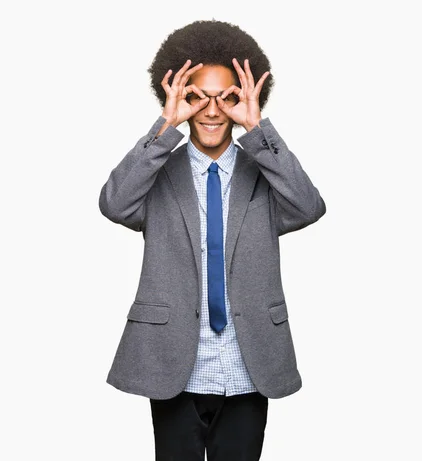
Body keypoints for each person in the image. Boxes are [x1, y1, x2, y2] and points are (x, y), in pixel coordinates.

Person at [98, 19, 326, 461]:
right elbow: (115, 204)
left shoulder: (264, 171)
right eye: (198, 95)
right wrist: (165, 126)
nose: (212, 109)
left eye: (227, 97)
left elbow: (307, 207)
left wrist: (259, 130)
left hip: (248, 364)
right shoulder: (158, 171)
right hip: (174, 364)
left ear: (244, 100)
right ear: (180, 97)